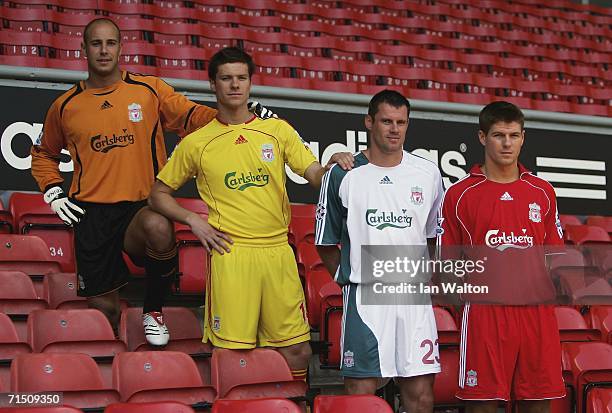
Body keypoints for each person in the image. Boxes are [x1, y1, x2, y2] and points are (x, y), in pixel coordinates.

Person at [30, 18, 275, 346]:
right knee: (104, 310)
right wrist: (54, 191)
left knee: (159, 226)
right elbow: (43, 153)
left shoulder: (148, 91)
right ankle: (119, 370)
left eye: (111, 43)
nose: (104, 50)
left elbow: (191, 116)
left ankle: (154, 309)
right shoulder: (65, 106)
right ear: (83, 49)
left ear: (121, 48)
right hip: (91, 214)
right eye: (96, 43)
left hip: (139, 208)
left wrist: (240, 112)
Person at [148, 47, 353, 381]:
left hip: (278, 254)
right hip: (232, 253)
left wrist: (333, 165)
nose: (234, 85)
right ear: (213, 84)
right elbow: (157, 194)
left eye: (241, 78)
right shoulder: (196, 143)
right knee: (232, 354)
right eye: (226, 78)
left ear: (250, 83)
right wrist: (193, 220)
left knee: (297, 351)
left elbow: (315, 174)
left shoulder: (278, 131)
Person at [315, 90, 443, 413]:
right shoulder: (343, 174)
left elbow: (431, 238)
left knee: (421, 393)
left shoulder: (427, 174)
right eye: (386, 121)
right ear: (369, 122)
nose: (394, 129)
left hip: (412, 297)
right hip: (365, 297)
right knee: (360, 394)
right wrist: (351, 278)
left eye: (401, 122)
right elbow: (325, 243)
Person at [438, 101, 565, 413]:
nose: (507, 143)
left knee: (538, 403)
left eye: (513, 135)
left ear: (523, 137)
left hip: (536, 315)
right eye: (498, 135)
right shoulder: (460, 194)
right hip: (485, 315)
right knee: (481, 403)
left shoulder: (542, 191)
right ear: (483, 137)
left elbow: (557, 257)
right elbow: (447, 265)